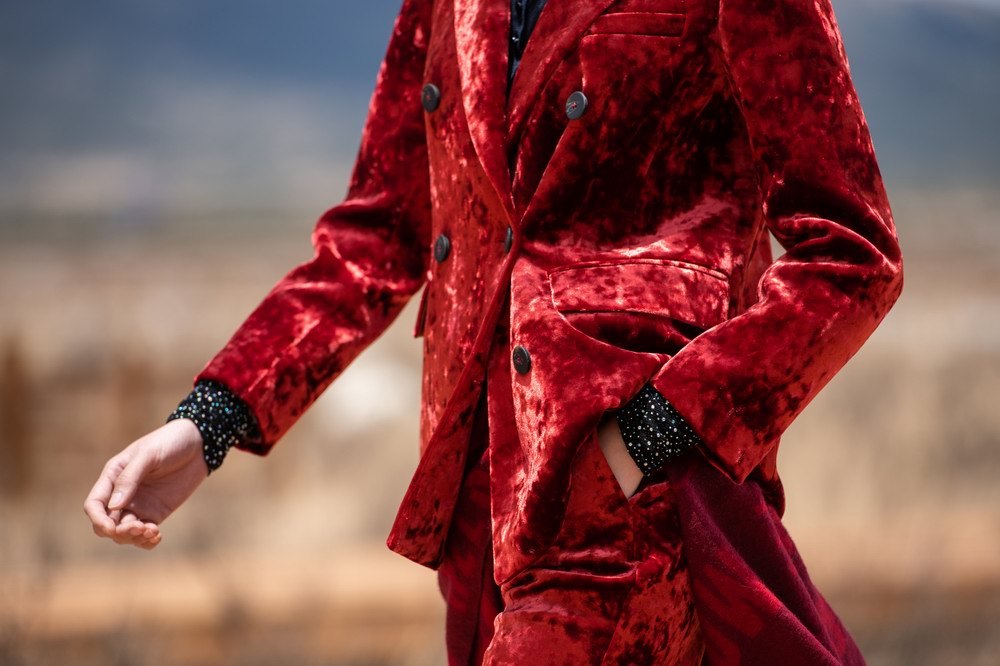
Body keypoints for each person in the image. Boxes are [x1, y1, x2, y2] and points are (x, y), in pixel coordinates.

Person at [85, 0, 904, 663]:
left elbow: (853, 252)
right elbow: (377, 237)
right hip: (471, 505)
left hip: (619, 496)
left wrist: (653, 433)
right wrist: (208, 422)